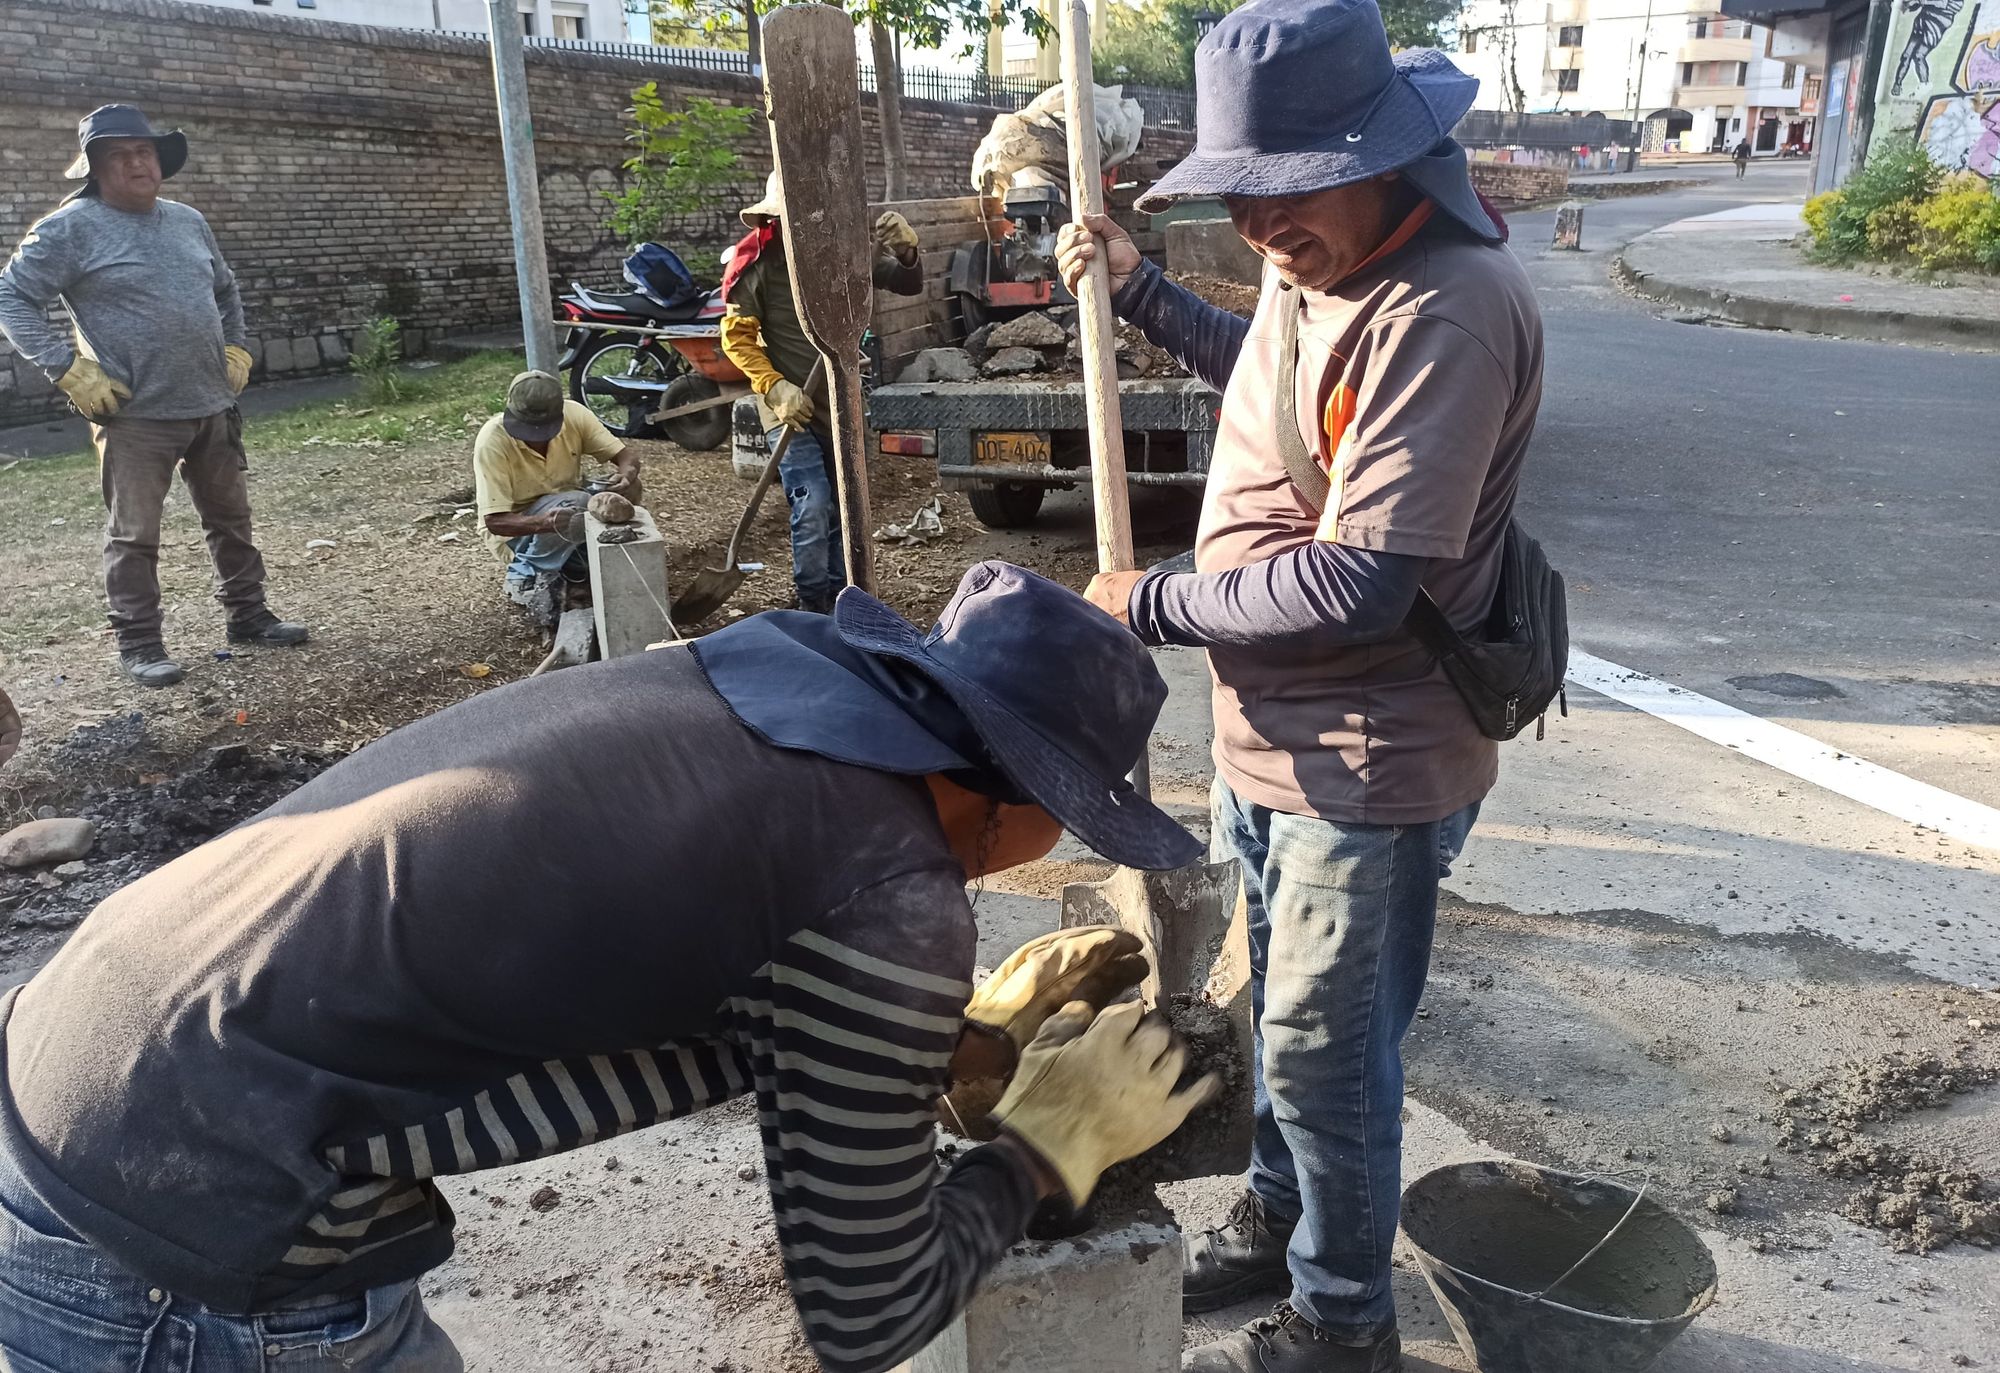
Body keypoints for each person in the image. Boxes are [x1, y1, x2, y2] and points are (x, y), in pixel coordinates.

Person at [0, 560, 1216, 1373]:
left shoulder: (765, 677)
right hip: (178, 1217)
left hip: (80, 1047)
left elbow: (680, 945)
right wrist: (1045, 1144)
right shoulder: (884, 897)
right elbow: (867, 1312)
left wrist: (954, 1044)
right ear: (1025, 807)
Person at [1057, 3, 1543, 1369]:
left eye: (1285, 195)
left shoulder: (1448, 308)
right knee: (1281, 1022)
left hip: (1366, 758)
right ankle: (1281, 1219)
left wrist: (1144, 602)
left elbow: (1357, 586)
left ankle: (1343, 1322)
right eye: (1242, 200)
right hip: (1268, 742)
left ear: (1381, 156)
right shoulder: (1319, 264)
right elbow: (1272, 384)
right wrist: (1145, 288)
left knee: (1330, 1054)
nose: (1261, 229)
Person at [0, 104, 306, 688]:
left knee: (231, 519)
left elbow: (226, 288)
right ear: (94, 167)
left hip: (211, 402)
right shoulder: (69, 228)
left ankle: (249, 616)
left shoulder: (187, 220)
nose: (138, 163)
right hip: (134, 415)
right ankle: (140, 643)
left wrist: (237, 348)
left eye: (145, 153)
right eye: (121, 155)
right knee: (134, 535)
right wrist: (65, 368)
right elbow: (10, 297)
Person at [720, 174, 925, 613]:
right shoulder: (758, 264)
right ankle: (812, 605)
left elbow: (908, 284)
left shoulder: (844, 258)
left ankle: (841, 597)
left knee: (843, 507)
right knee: (813, 505)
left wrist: (907, 252)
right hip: (789, 407)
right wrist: (774, 387)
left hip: (841, 403)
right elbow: (736, 340)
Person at [473, 369, 642, 627]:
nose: (534, 435)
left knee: (627, 491)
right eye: (528, 427)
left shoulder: (575, 414)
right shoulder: (492, 441)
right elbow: (495, 522)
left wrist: (626, 475)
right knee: (576, 504)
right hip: (518, 534)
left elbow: (625, 457)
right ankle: (525, 576)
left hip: (565, 517)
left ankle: (578, 569)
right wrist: (543, 523)